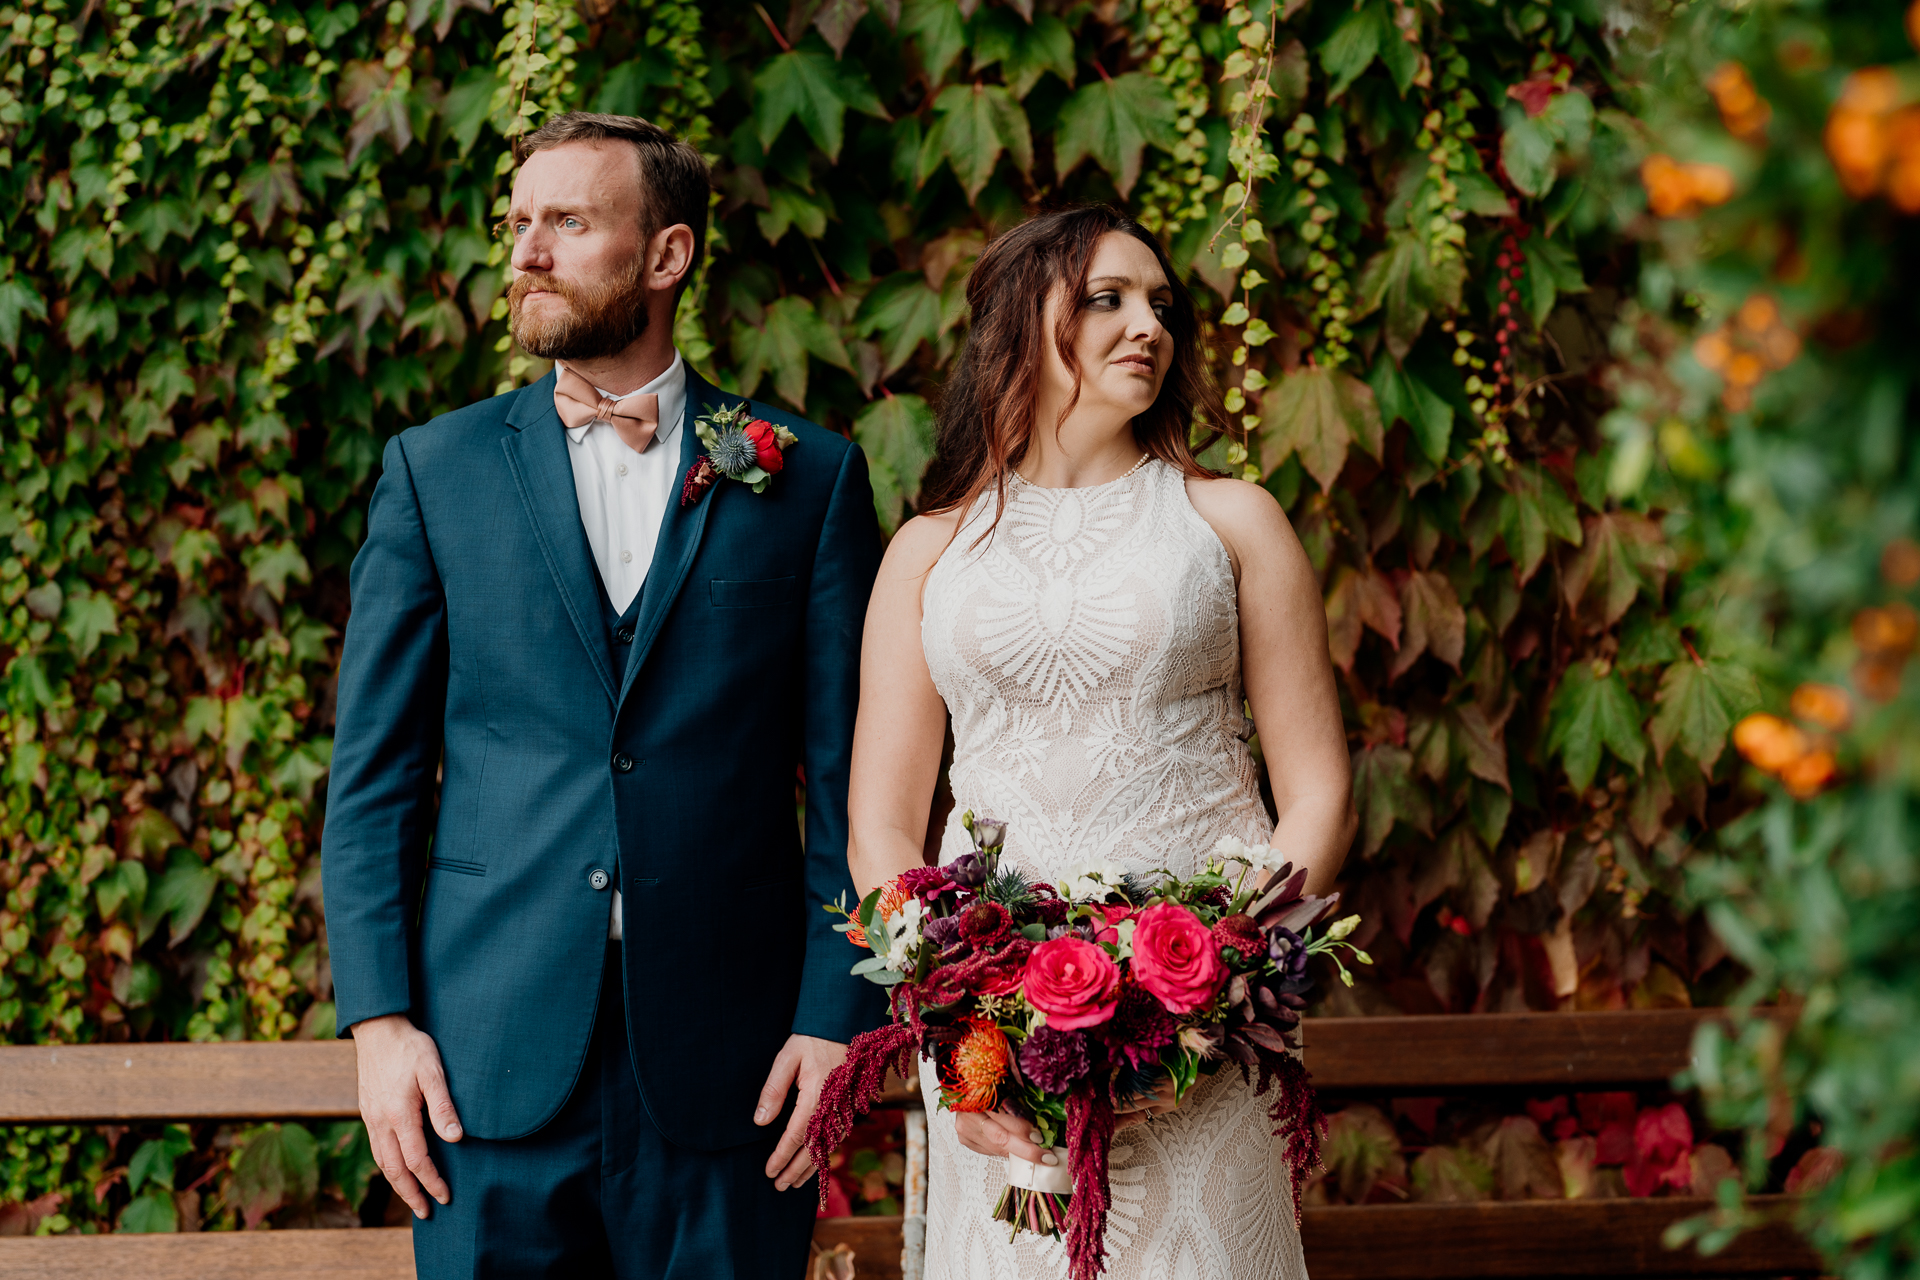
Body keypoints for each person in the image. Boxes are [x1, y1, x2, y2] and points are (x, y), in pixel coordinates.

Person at [321, 112, 884, 1279]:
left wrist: (838, 1013)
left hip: (738, 1072)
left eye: (567, 223)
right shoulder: (436, 472)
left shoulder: (805, 475)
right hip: (484, 1070)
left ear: (667, 254)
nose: (526, 251)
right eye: (520, 223)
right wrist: (379, 1026)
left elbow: (851, 787)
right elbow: (372, 782)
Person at [846, 205, 1356, 1280]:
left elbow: (1317, 789)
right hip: (996, 1036)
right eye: (1107, 298)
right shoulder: (929, 551)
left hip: (1206, 1031)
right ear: (1020, 323)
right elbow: (885, 822)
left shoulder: (1233, 520)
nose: (1148, 327)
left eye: (1162, 305)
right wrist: (958, 1015)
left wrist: (1220, 982)